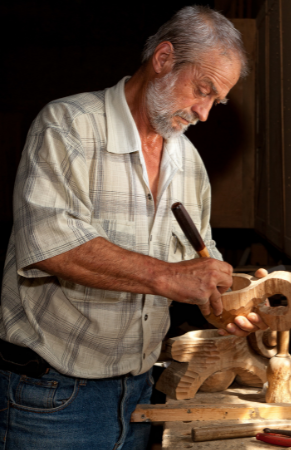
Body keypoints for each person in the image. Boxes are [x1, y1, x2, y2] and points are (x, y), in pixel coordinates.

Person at [0, 6, 263, 449]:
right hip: (54, 396)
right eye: (202, 90)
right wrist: (169, 277)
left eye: (216, 101)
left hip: (141, 391)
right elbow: (49, 246)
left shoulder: (188, 161)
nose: (204, 113)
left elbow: (199, 259)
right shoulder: (68, 126)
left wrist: (227, 301)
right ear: (163, 58)